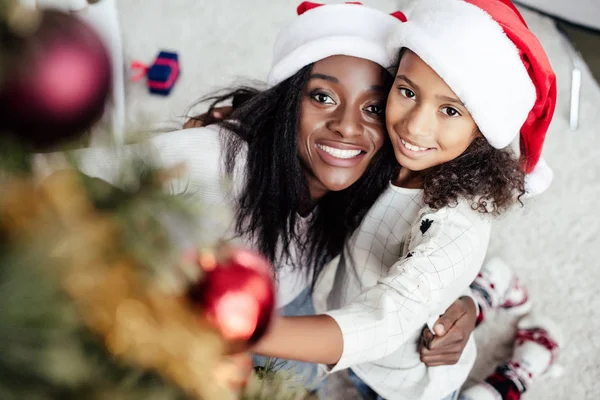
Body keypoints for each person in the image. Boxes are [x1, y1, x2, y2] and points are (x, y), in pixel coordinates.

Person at [32, 0, 478, 388]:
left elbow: (414, 252)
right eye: (323, 97)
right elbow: (48, 178)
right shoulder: (212, 159)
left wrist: (462, 302)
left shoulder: (374, 173)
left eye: (374, 107)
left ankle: (494, 289)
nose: (347, 125)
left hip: (284, 304)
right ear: (287, 102)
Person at [250, 0, 562, 399]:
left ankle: (523, 368)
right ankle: (486, 288)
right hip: (350, 326)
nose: (413, 125)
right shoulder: (386, 146)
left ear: (482, 130)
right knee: (454, 301)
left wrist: (252, 329)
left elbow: (385, 320)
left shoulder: (456, 225)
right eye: (408, 91)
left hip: (406, 375)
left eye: (450, 110)